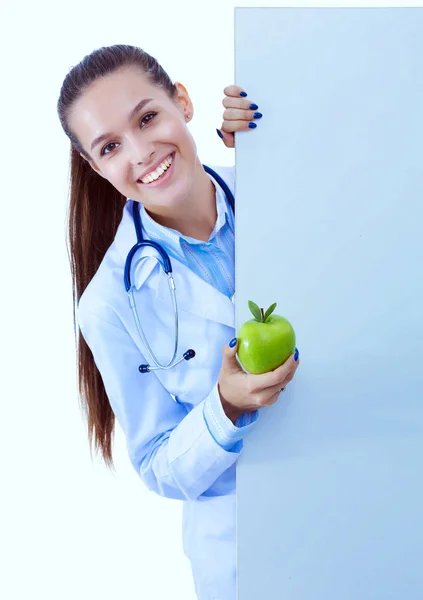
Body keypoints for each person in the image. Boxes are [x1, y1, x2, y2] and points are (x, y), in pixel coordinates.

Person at [57, 44, 300, 600]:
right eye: (111, 146)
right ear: (96, 168)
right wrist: (226, 405)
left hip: (371, 478)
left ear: (182, 102)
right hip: (250, 551)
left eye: (148, 118)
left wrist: (284, 133)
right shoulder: (107, 304)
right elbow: (158, 465)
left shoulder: (282, 190)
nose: (141, 152)